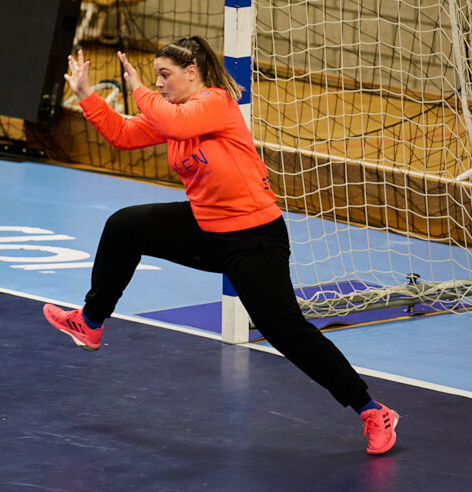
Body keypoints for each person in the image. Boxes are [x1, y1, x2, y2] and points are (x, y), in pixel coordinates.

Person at [43, 36, 399, 455]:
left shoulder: (215, 102)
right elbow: (122, 134)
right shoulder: (171, 114)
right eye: (156, 77)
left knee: (286, 332)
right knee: (124, 227)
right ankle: (90, 322)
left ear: (192, 72)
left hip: (254, 239)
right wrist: (86, 95)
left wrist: (137, 88)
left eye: (165, 75)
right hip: (207, 229)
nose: (159, 84)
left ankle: (373, 410)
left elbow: (176, 123)